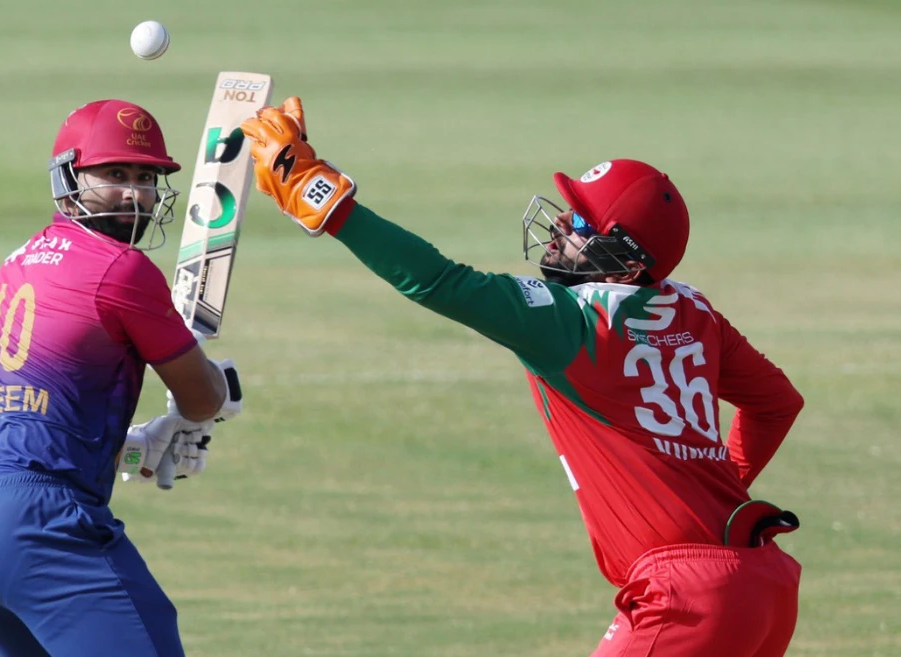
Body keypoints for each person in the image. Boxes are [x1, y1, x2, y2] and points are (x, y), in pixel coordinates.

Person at [240, 98, 806, 657]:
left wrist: (321, 196)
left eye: (581, 222)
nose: (560, 222)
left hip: (686, 599)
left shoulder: (574, 322)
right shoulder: (695, 312)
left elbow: (438, 281)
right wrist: (713, 491)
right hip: (765, 584)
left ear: (627, 262)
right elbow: (777, 403)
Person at [0, 99, 240, 657]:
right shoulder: (123, 268)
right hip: (37, 529)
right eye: (114, 174)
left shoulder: (17, 261)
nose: (133, 193)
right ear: (69, 179)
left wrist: (135, 443)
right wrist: (212, 396)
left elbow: (30, 411)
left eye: (146, 177)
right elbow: (201, 397)